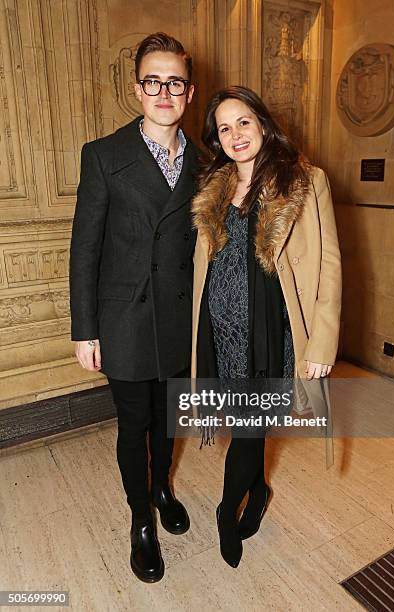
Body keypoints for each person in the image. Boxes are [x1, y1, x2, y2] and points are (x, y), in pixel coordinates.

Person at [191, 86, 341, 568]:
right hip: (220, 336)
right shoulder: (213, 186)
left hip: (269, 333)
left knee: (251, 430)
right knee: (244, 426)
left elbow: (331, 265)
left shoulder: (304, 180)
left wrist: (322, 342)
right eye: (224, 128)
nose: (235, 135)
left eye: (243, 122)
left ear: (262, 122)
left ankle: (224, 509)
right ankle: (258, 493)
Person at [69, 32, 199, 583]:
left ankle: (165, 485)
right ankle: (141, 521)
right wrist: (84, 329)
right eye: (153, 81)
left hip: (177, 316)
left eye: (174, 82)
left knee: (168, 418)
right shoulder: (104, 155)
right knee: (133, 425)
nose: (163, 91)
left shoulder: (205, 160)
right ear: (137, 88)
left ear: (189, 94)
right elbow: (85, 247)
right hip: (122, 318)